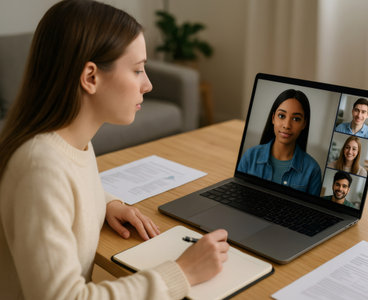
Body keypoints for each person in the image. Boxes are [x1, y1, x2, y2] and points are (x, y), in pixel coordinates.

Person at [0, 1, 229, 299]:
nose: (147, 84)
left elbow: (69, 186)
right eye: (137, 70)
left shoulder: (72, 141)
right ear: (91, 77)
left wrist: (106, 203)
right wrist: (181, 273)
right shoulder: (39, 168)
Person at [238, 89, 322, 196]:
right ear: (273, 118)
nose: (287, 125)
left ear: (304, 124)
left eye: (296, 119)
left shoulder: (313, 170)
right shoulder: (250, 156)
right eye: (281, 116)